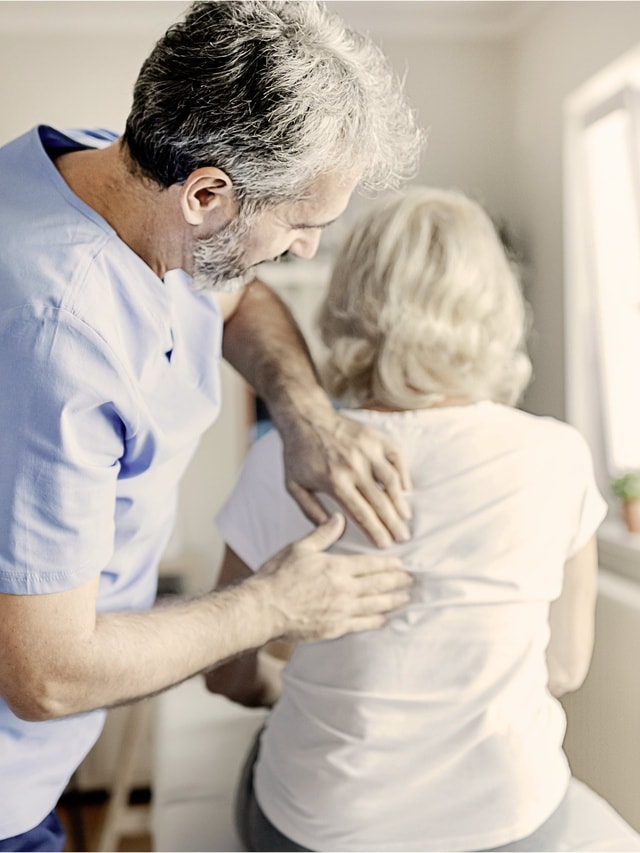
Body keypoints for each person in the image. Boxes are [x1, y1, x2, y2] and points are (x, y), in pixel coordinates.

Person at [0, 2, 423, 849]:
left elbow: (239, 294)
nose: (306, 250)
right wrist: (273, 602)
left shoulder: (113, 168)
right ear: (207, 194)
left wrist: (304, 413)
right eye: (302, 225)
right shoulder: (59, 337)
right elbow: (45, 675)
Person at [206, 186, 640, 851]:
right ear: (494, 308)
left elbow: (226, 671)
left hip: (322, 829)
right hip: (511, 823)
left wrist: (285, 689)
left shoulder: (283, 460)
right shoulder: (558, 455)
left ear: (347, 303)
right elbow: (564, 667)